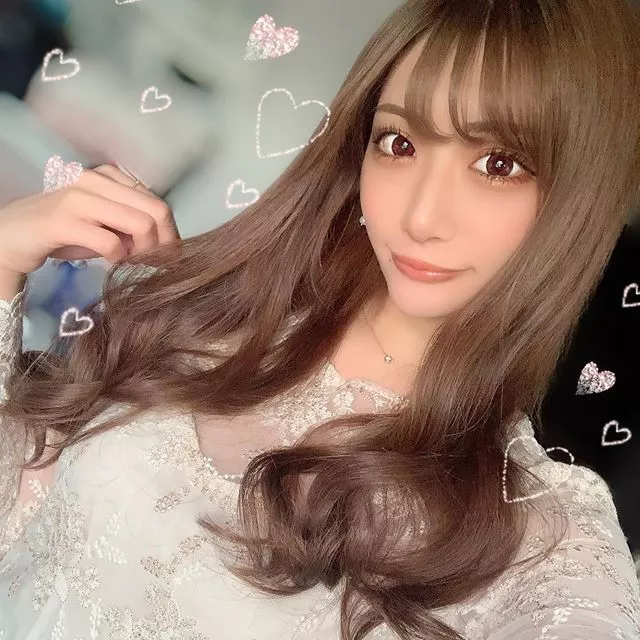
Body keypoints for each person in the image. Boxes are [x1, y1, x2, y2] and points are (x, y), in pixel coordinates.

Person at [0, 0, 639, 637]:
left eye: (497, 165)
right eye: (400, 143)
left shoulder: (540, 535)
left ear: (576, 199)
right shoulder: (205, 321)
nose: (421, 217)